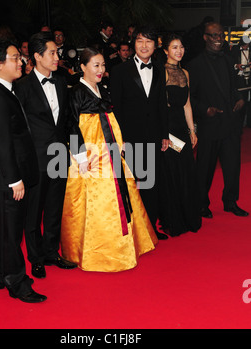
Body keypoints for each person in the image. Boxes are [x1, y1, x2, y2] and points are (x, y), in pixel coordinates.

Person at [60, 47, 158, 272]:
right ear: (82, 67)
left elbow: (112, 120)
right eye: (96, 65)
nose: (101, 70)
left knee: (122, 195)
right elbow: (71, 125)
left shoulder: (102, 90)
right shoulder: (76, 92)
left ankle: (125, 244)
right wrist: (80, 156)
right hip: (91, 156)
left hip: (112, 153)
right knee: (98, 202)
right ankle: (101, 251)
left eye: (103, 65)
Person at [0, 37, 46, 303]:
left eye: (20, 56)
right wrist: (14, 179)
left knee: (4, 230)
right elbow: (2, 143)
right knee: (11, 233)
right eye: (15, 57)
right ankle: (17, 283)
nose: (21, 61)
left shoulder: (4, 89)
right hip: (7, 177)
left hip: (9, 174)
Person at [15, 32, 87, 279]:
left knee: (55, 208)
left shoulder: (60, 82)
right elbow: (17, 129)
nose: (57, 57)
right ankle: (35, 258)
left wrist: (78, 151)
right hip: (35, 159)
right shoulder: (22, 87)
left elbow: (68, 121)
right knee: (34, 212)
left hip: (59, 156)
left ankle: (50, 252)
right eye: (52, 53)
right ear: (37, 56)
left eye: (57, 52)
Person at [110, 25, 169, 240]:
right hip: (130, 137)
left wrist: (164, 133)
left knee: (151, 183)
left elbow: (162, 103)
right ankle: (132, 231)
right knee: (132, 184)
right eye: (140, 41)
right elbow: (115, 107)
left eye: (149, 42)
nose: (144, 46)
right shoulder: (119, 71)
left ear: (155, 45)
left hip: (154, 135)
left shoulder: (160, 68)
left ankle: (150, 228)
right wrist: (120, 138)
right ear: (133, 44)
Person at [188, 22, 248, 218]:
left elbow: (235, 87)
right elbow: (190, 98)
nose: (218, 40)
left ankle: (230, 202)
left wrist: (239, 99)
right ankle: (201, 204)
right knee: (205, 168)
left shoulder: (229, 59)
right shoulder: (194, 65)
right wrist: (205, 110)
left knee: (232, 167)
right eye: (213, 36)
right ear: (205, 37)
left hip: (230, 124)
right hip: (209, 125)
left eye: (221, 36)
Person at [158, 33, 202, 237]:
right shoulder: (162, 72)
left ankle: (188, 216)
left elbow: (187, 104)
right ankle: (174, 220)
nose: (179, 51)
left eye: (181, 47)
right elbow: (159, 106)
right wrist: (163, 133)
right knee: (174, 172)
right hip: (168, 131)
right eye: (174, 47)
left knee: (186, 171)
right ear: (166, 50)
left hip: (182, 130)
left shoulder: (185, 72)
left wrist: (192, 130)